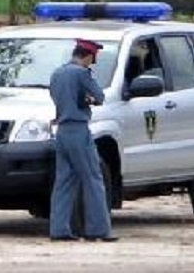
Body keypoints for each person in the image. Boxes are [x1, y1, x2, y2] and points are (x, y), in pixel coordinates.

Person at [48, 38, 117, 242]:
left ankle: (59, 229)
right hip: (79, 130)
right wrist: (88, 100)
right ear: (87, 56)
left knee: (63, 182)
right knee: (93, 179)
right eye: (92, 59)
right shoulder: (81, 73)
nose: (91, 63)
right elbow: (100, 97)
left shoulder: (57, 73)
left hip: (61, 130)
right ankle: (98, 230)